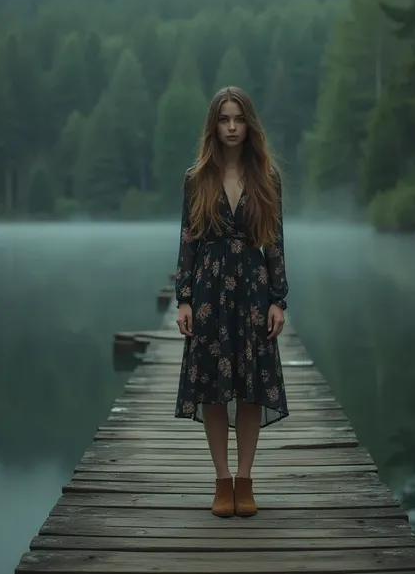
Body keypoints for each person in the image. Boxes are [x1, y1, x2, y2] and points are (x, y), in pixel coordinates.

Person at [175, 85, 289, 518]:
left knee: (251, 388)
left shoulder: (267, 177)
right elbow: (188, 240)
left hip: (254, 287)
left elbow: (275, 240)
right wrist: (183, 298)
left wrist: (278, 299)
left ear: (249, 124)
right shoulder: (196, 177)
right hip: (209, 290)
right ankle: (222, 480)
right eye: (224, 119)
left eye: (238, 119)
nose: (232, 127)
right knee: (213, 388)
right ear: (213, 125)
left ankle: (245, 479)